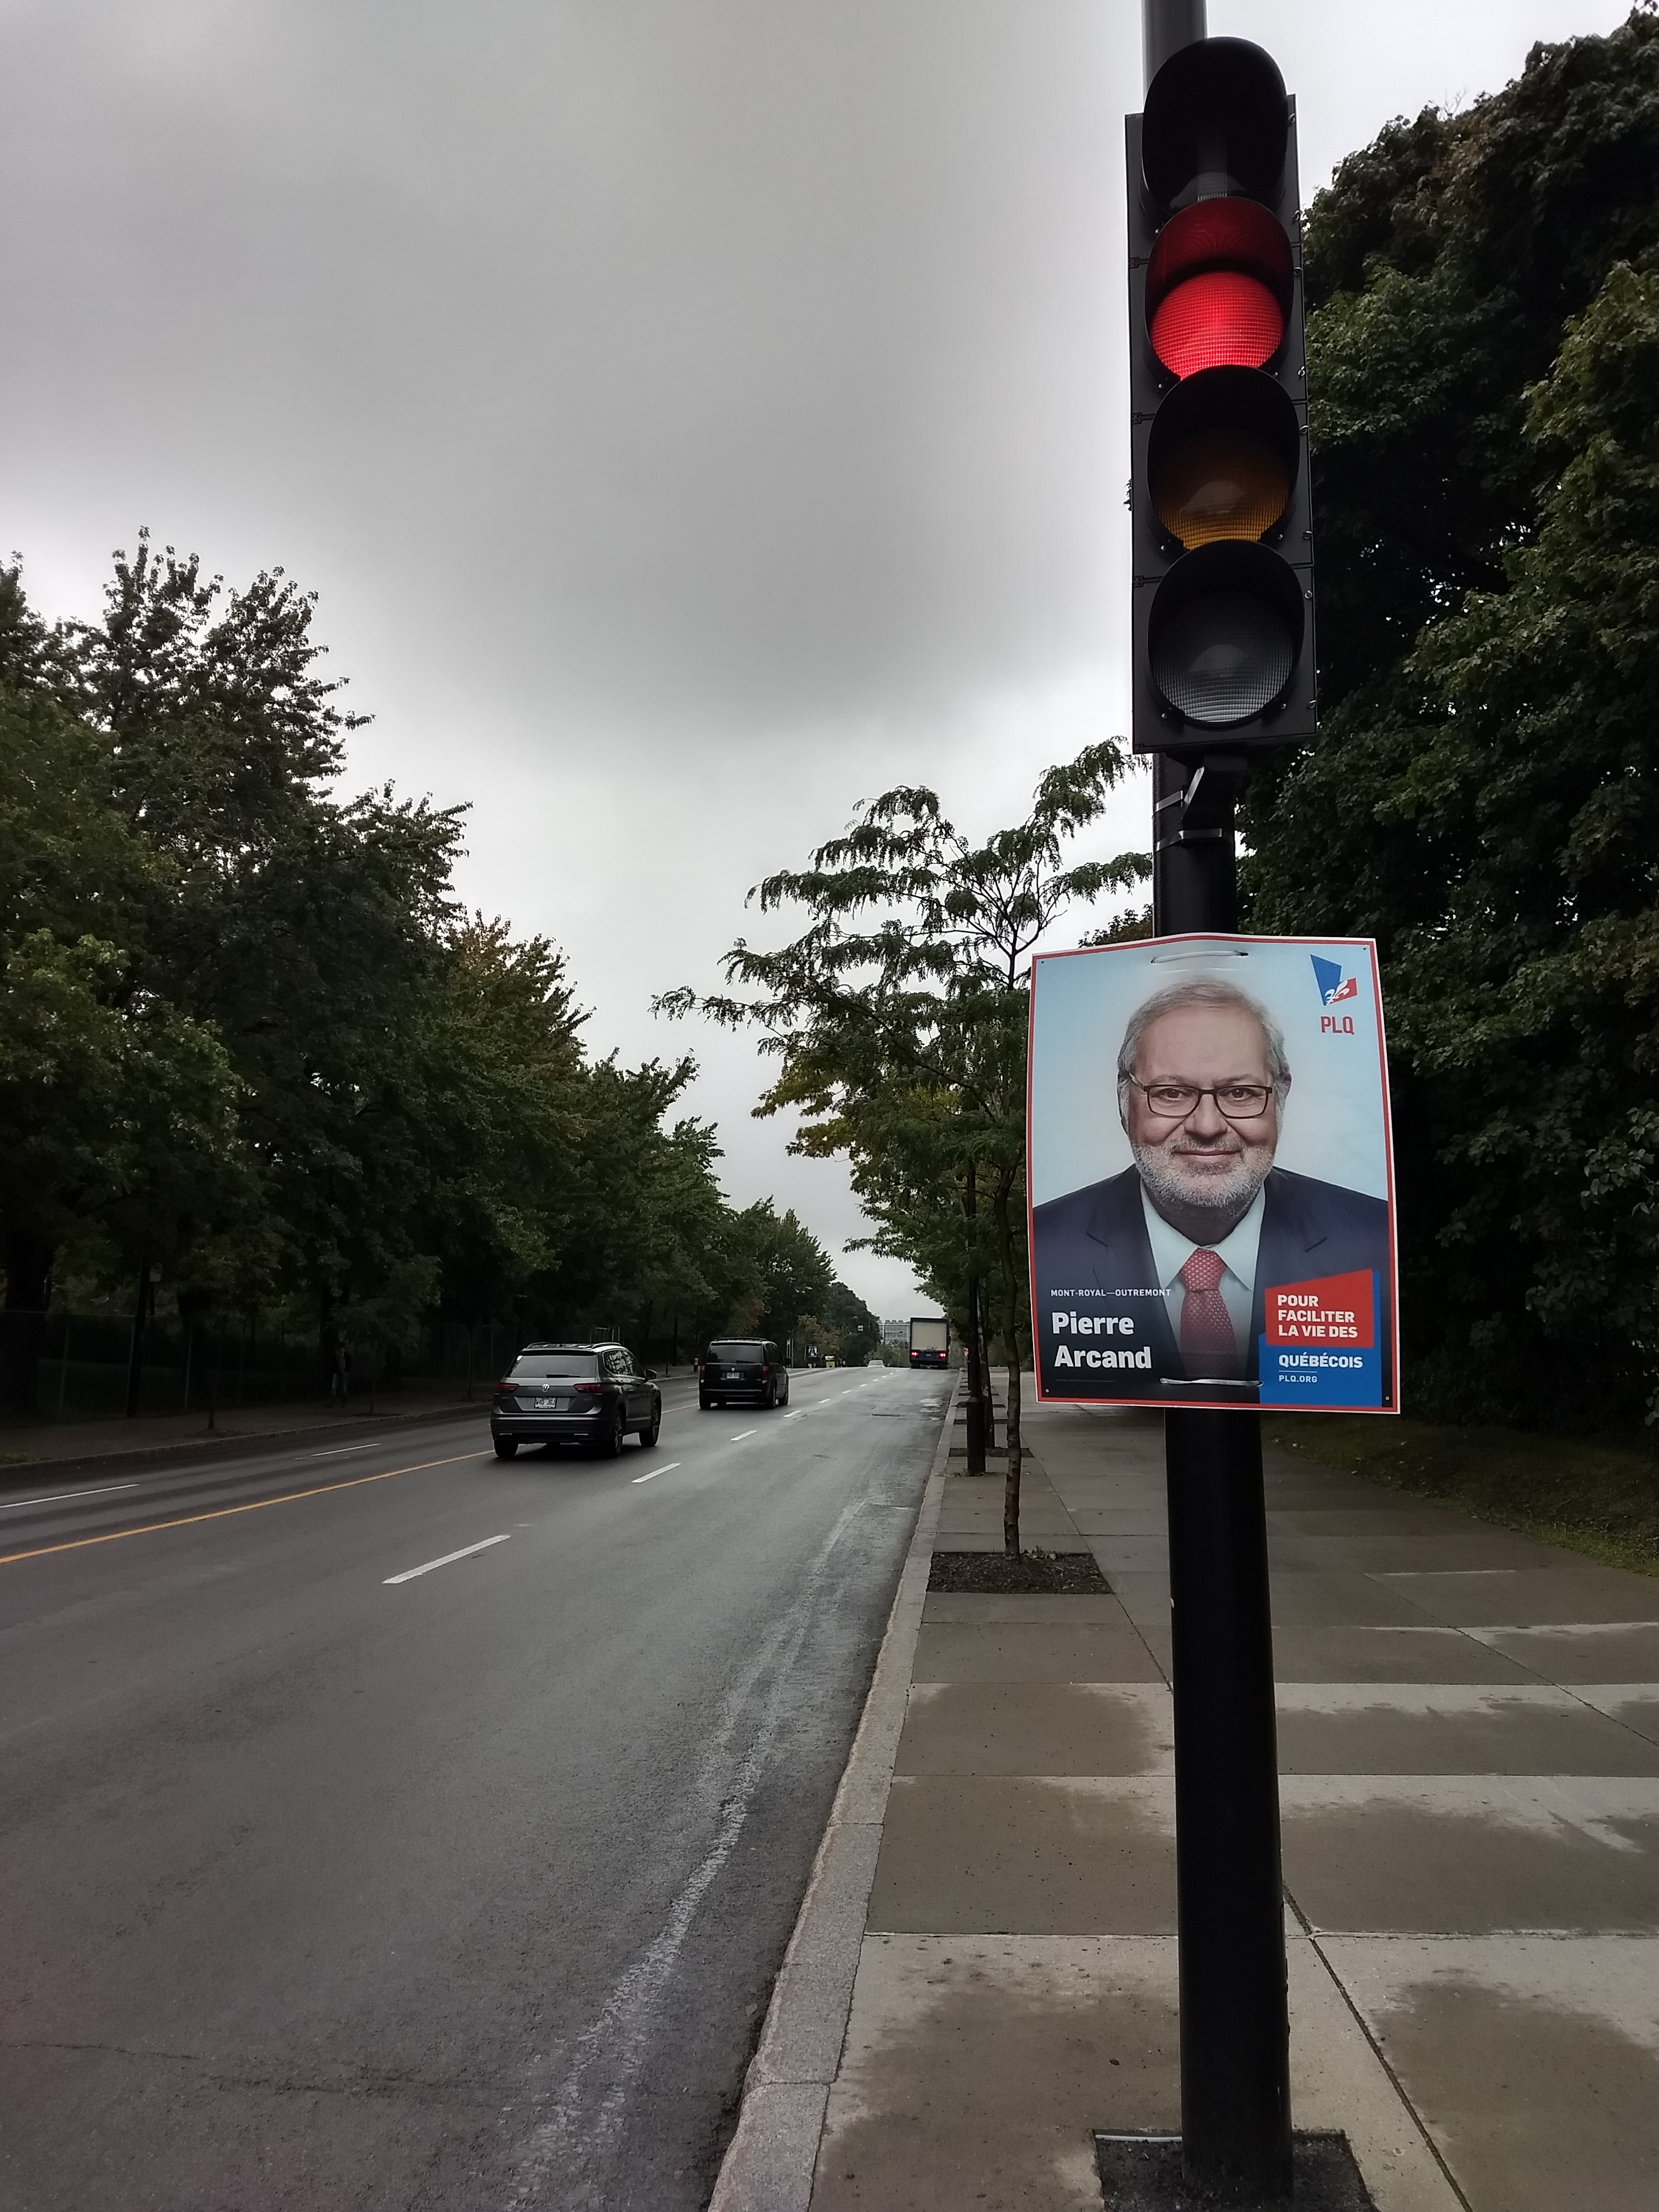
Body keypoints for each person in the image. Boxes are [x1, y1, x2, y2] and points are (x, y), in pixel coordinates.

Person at [1031, 977, 1391, 1400]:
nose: (1207, 1126)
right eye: (1171, 1093)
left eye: (1239, 1093)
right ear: (1123, 1099)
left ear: (1281, 1096)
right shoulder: (1049, 1240)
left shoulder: (1370, 1236)